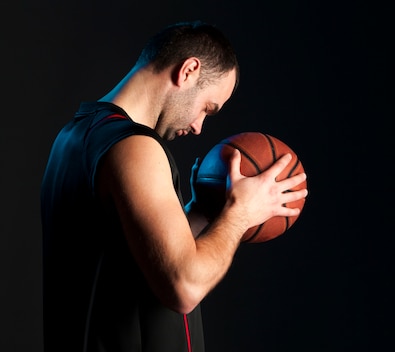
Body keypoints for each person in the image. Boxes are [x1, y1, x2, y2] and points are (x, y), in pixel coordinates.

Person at [40, 20, 307, 352]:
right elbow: (184, 285)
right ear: (189, 71)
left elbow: (133, 258)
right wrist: (240, 214)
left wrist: (198, 211)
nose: (198, 127)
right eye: (207, 109)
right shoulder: (134, 147)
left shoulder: (74, 137)